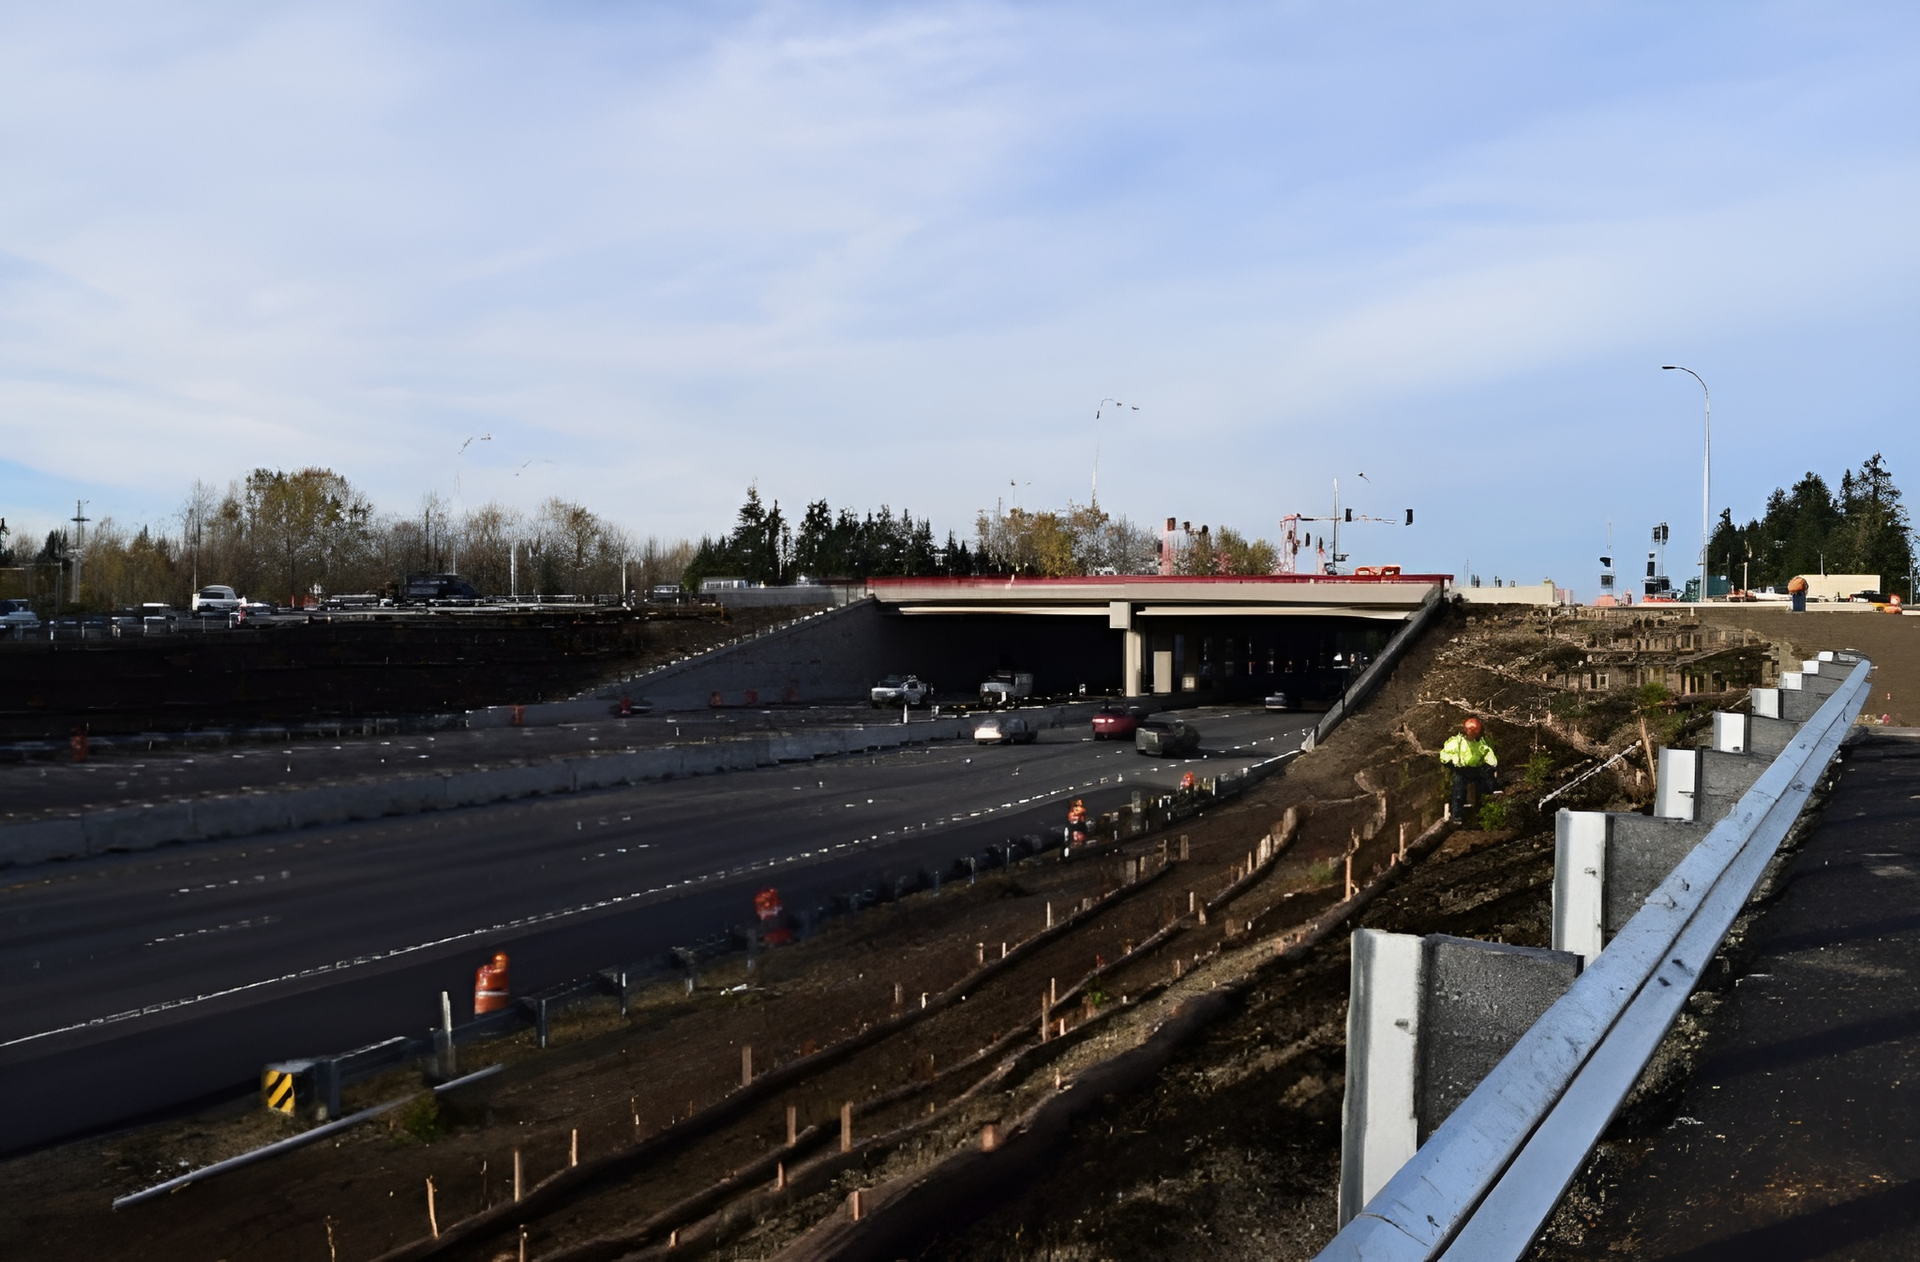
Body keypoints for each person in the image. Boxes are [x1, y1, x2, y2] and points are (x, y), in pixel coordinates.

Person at [1440, 717, 1499, 821]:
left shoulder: (1481, 743)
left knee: (1485, 786)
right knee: (1458, 791)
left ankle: (1486, 812)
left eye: (1475, 732)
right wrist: (1448, 760)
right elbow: (1444, 754)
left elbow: (1488, 753)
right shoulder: (1456, 742)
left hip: (1477, 770)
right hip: (1461, 770)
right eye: (1470, 731)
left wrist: (1492, 764)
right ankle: (1457, 815)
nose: (1472, 734)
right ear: (1466, 730)